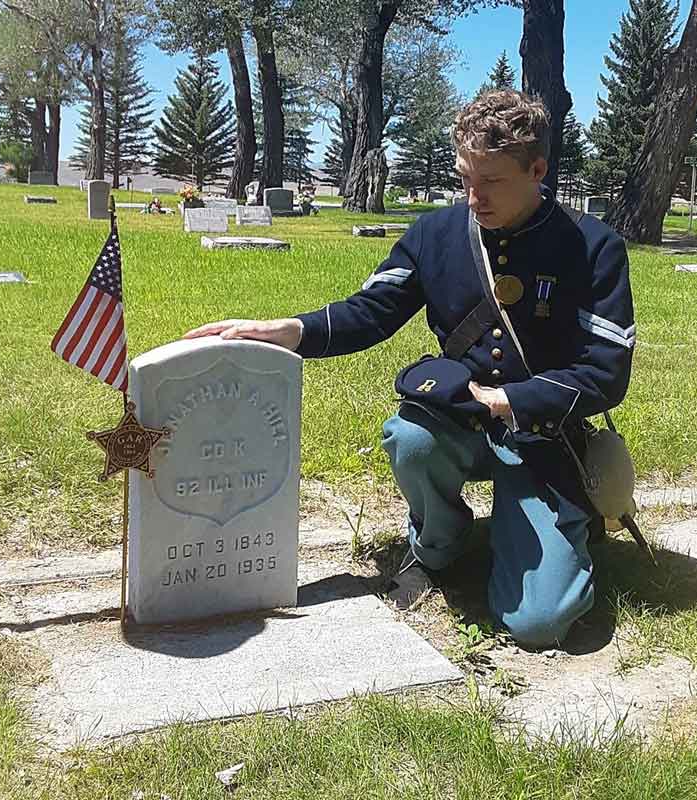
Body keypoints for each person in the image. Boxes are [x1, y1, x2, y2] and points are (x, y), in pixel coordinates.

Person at [183, 90, 635, 649]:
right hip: (460, 424)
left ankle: (570, 528)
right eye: (465, 178)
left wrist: (510, 401)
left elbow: (607, 372)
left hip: (540, 437)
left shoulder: (594, 247)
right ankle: (438, 548)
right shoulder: (435, 234)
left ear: (537, 168)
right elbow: (370, 311)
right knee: (410, 437)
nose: (473, 197)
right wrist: (291, 331)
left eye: (490, 181)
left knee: (538, 625)